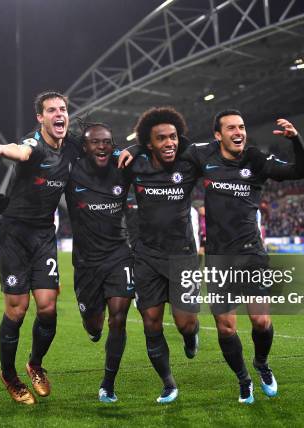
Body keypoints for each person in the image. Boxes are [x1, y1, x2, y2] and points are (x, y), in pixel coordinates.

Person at [181, 109, 304, 404]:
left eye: (241, 127)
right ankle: (243, 380)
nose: (238, 132)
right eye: (231, 128)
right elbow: (169, 150)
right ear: (218, 135)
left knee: (261, 322)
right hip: (218, 259)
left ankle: (262, 364)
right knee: (226, 327)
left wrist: (296, 140)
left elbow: (300, 171)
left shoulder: (256, 159)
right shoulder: (203, 156)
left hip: (252, 254)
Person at [0, 91, 83, 405]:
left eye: (62, 109)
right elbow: (20, 151)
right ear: (40, 117)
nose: (59, 114)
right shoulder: (34, 144)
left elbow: (100, 147)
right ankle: (9, 376)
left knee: (48, 307)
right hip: (13, 234)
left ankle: (35, 365)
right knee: (18, 309)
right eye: (51, 110)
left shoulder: (73, 145)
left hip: (43, 235)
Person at [122, 107, 201, 404]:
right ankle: (168, 383)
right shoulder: (135, 165)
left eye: (173, 137)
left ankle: (192, 336)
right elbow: (107, 158)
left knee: (186, 324)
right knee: (151, 322)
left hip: (184, 257)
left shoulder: (189, 162)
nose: (169, 143)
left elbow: (204, 149)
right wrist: (133, 147)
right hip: (146, 256)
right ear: (149, 143)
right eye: (161, 138)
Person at [65, 122, 134, 403]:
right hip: (86, 263)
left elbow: (151, 151)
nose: (102, 147)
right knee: (94, 326)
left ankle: (108, 383)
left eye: (107, 142)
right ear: (85, 147)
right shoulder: (72, 171)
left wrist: (132, 148)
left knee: (118, 319)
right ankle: (92, 327)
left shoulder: (122, 168)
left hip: (119, 255)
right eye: (96, 142)